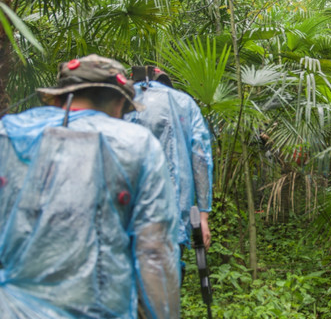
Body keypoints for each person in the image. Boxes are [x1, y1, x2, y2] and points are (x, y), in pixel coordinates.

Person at [0, 55, 180, 319]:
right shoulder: (136, 144)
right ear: (121, 103)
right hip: (100, 308)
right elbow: (153, 250)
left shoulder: (8, 133)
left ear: (59, 96)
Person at [125, 66, 213, 257]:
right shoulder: (184, 103)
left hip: (125, 216)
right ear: (166, 81)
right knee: (167, 276)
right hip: (172, 215)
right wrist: (203, 216)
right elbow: (201, 157)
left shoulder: (118, 102)